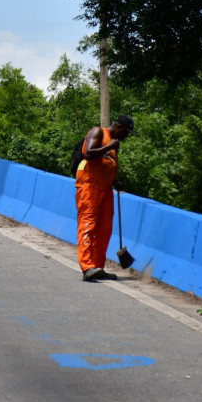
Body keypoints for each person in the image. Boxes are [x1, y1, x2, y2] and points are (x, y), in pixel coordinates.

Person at [75, 114, 134, 281]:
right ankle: (87, 267)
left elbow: (106, 164)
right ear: (119, 127)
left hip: (105, 189)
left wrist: (114, 181)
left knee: (104, 229)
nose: (126, 137)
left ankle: (98, 266)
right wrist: (108, 147)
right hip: (89, 187)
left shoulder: (115, 144)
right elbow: (88, 153)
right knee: (88, 225)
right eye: (127, 133)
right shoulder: (98, 132)